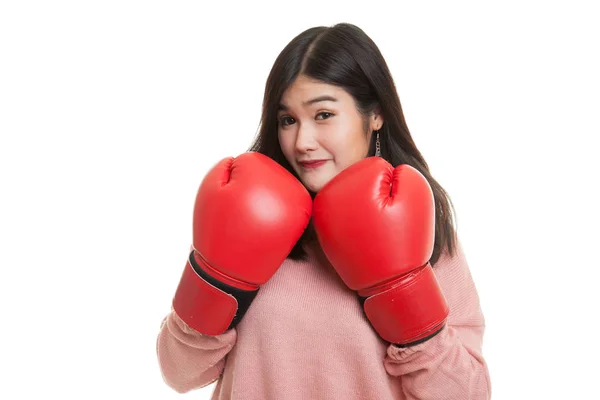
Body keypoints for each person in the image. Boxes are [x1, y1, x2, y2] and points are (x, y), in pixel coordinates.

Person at [156, 22, 491, 399]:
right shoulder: (245, 214)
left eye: (323, 115)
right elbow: (179, 372)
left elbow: (467, 394)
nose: (302, 142)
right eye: (288, 120)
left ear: (375, 114)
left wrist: (407, 307)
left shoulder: (422, 231)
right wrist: (217, 283)